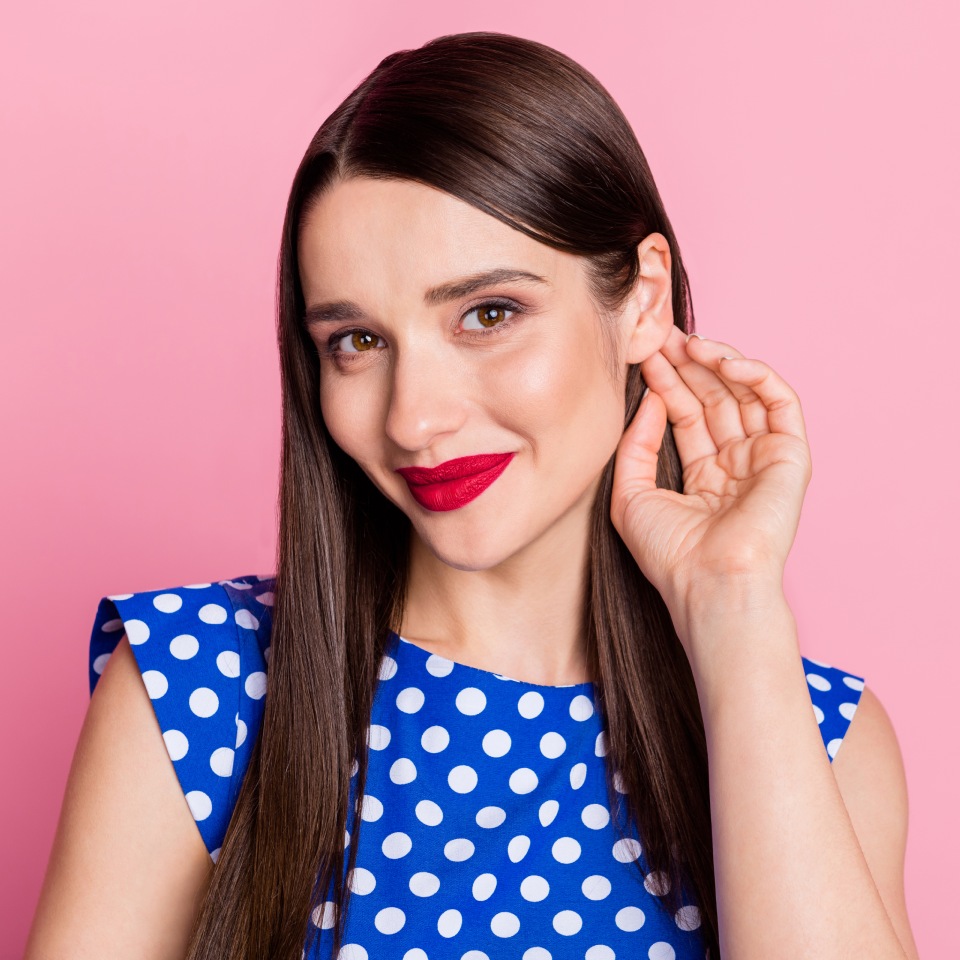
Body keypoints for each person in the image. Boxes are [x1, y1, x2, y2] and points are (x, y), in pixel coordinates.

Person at [26, 30, 918, 960]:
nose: (414, 419)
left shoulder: (821, 741)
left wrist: (734, 606)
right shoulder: (200, 690)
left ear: (642, 298)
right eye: (357, 342)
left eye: (488, 315)